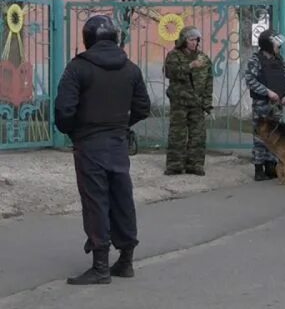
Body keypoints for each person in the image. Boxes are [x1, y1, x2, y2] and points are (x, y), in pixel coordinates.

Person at [55, 15, 151, 285]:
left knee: (96, 201)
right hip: (118, 142)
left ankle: (100, 267)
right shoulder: (130, 68)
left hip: (89, 144)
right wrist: (121, 125)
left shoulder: (78, 68)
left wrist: (76, 131)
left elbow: (63, 111)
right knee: (122, 198)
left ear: (88, 38)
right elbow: (143, 107)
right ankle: (126, 260)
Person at [164, 26, 213, 176]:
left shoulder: (203, 58)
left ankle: (195, 164)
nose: (194, 43)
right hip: (180, 101)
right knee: (177, 134)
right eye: (191, 40)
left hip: (197, 102)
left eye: (196, 40)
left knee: (198, 135)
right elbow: (170, 73)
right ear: (184, 41)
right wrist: (190, 66)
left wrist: (207, 102)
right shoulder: (174, 55)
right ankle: (175, 165)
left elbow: (209, 81)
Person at [245, 29, 285, 181]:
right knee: (260, 136)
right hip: (262, 104)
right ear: (267, 45)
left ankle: (271, 165)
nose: (279, 47)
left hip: (277, 105)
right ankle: (259, 168)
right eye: (276, 44)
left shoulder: (280, 60)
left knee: (276, 136)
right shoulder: (256, 59)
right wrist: (267, 92)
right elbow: (250, 80)